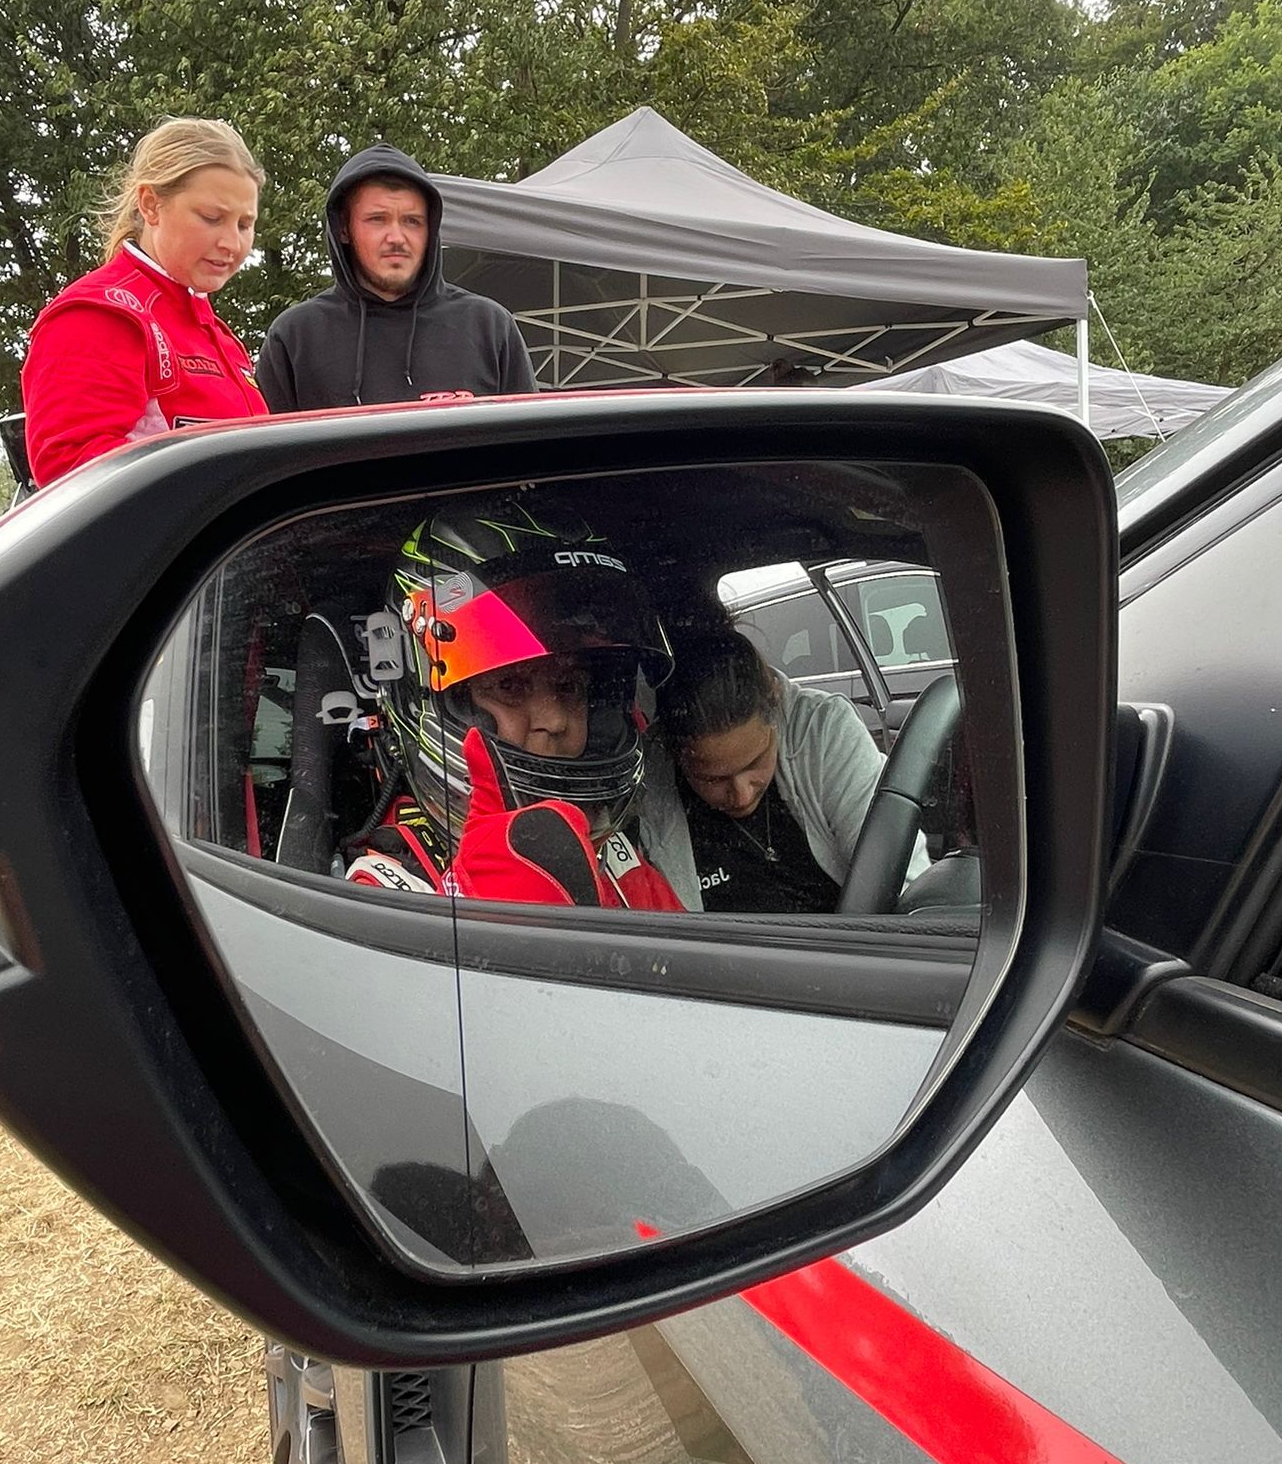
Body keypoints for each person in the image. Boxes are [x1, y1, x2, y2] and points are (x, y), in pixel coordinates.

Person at [343, 495, 682, 911]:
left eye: (569, 686)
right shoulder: (382, 893)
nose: (554, 720)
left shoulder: (616, 860)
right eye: (510, 686)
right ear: (431, 700)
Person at [21, 117, 267, 487]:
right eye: (211, 218)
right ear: (151, 205)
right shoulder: (99, 313)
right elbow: (70, 469)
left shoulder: (212, 329)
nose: (232, 243)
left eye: (245, 225)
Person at [640, 627, 924, 913]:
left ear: (776, 711)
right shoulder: (646, 787)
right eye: (713, 779)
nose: (741, 795)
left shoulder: (824, 734)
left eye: (754, 763)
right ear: (674, 755)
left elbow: (902, 880)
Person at [254, 146, 537, 411]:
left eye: (412, 221)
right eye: (377, 219)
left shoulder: (489, 327)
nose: (396, 238)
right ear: (344, 229)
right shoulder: (295, 338)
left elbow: (532, 441)